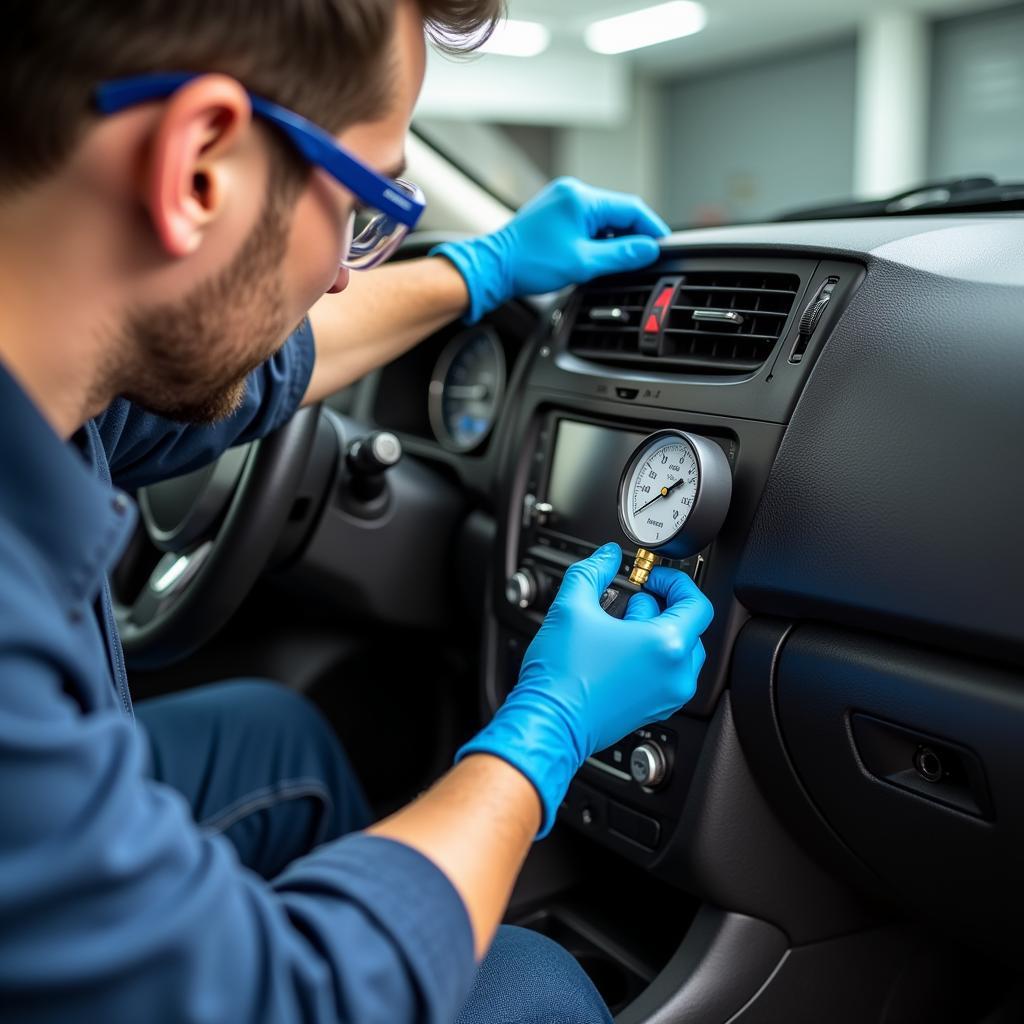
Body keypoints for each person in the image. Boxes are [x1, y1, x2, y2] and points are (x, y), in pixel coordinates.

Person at [0, 2, 714, 1022]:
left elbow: (261, 366)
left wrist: (485, 267)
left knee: (272, 738)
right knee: (529, 985)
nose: (343, 267)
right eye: (363, 201)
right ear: (199, 165)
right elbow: (295, 993)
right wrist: (545, 730)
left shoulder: (52, 375)